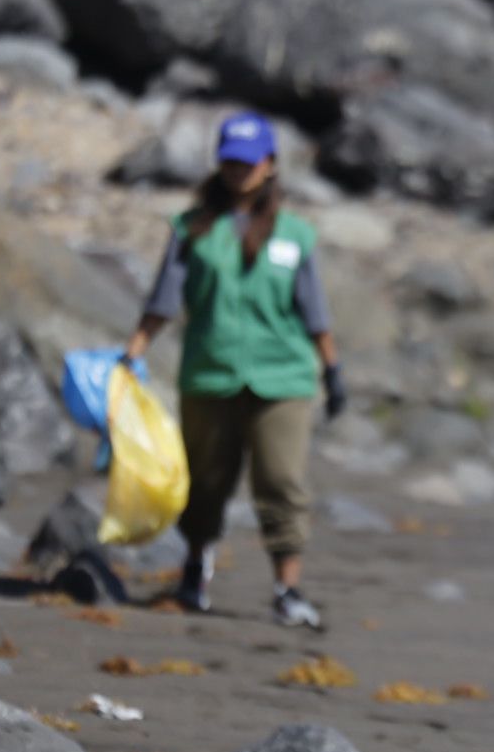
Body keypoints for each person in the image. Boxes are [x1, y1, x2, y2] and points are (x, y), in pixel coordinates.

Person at [121, 111, 345, 629]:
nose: (239, 171)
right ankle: (194, 573)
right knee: (206, 481)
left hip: (283, 377)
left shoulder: (295, 236)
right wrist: (133, 350)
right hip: (210, 372)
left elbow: (315, 313)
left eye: (249, 163)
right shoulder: (191, 229)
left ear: (269, 166)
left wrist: (332, 372)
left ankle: (288, 588)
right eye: (231, 162)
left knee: (281, 480)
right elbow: (164, 300)